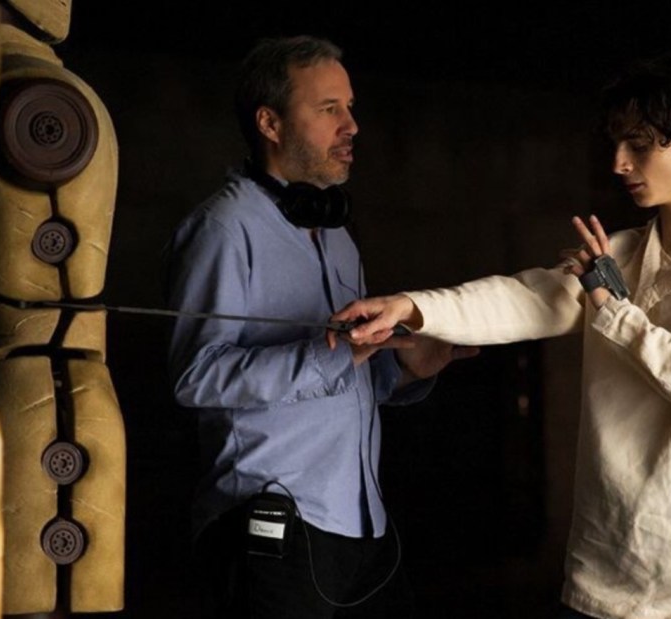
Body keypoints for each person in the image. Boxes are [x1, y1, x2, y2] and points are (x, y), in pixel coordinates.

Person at [331, 52, 671, 619]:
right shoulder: (617, 255)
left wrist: (615, 311)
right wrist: (412, 307)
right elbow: (525, 297)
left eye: (639, 144)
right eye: (616, 143)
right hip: (617, 573)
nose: (619, 162)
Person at [163, 35, 476, 618]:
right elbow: (195, 378)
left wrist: (407, 369)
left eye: (350, 107)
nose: (352, 125)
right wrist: (332, 356)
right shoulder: (224, 228)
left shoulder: (337, 235)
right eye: (329, 108)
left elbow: (344, 376)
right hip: (272, 522)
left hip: (360, 524)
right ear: (270, 123)